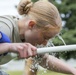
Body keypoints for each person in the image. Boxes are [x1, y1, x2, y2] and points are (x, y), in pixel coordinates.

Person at [0, 0, 76, 75]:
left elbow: (44, 59)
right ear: (31, 25)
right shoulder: (5, 27)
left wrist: (73, 71)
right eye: (45, 37)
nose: (45, 43)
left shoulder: (27, 38)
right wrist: (9, 47)